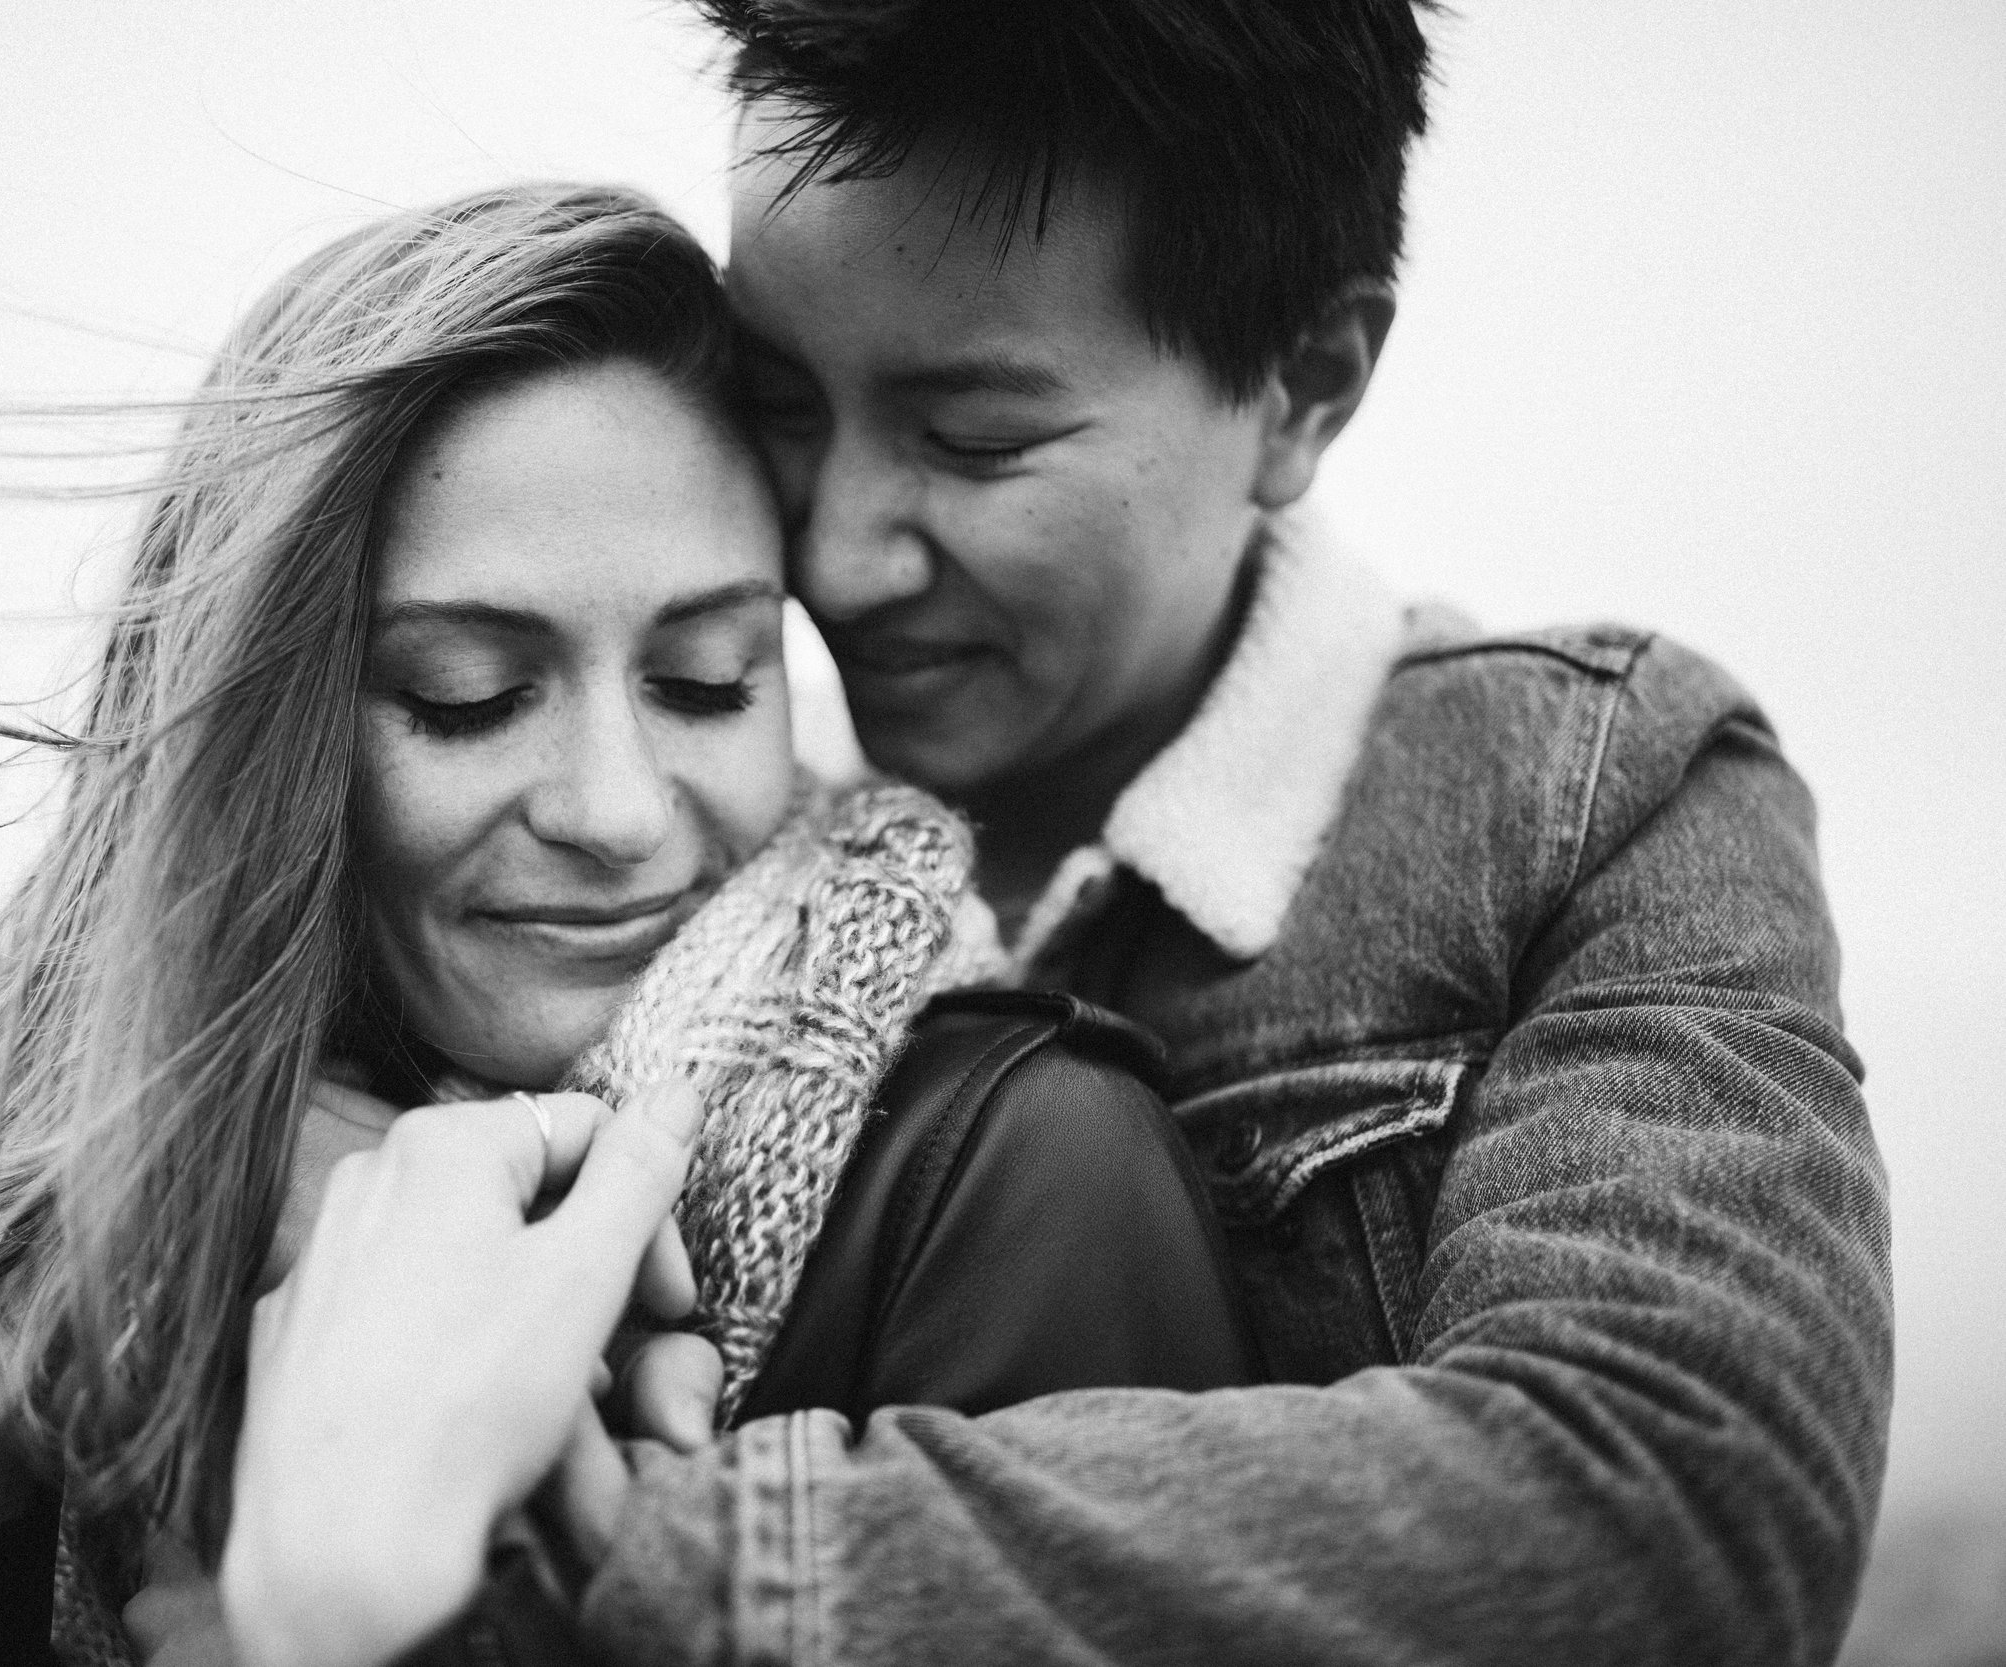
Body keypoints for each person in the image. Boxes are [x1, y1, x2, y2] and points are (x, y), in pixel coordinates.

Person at [231, 5, 1890, 1665]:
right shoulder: (656, 812)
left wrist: (547, 1566)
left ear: (1305, 386)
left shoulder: (1591, 803)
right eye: (782, 398)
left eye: (974, 439)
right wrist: (236, 1199)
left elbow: (1675, 1521)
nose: (835, 549)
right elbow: (57, 1087)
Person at [0, 182, 1254, 1665]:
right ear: (265, 754)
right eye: (466, 698)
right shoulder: (64, 1195)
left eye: (706, 679)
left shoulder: (1021, 1172)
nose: (617, 810)